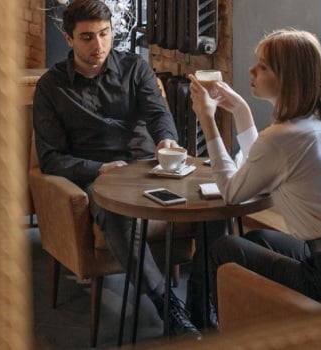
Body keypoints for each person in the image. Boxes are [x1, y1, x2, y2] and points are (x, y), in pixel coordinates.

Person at [33, 0, 218, 339]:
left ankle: (200, 296)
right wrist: (99, 169)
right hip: (97, 176)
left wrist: (167, 142)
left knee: (215, 201)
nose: (98, 45)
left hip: (147, 167)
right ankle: (166, 304)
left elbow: (158, 114)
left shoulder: (135, 68)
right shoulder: (51, 87)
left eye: (104, 34)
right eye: (87, 37)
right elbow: (50, 158)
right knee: (113, 212)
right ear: (68, 38)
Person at [187, 29, 321, 311]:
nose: (252, 70)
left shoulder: (282, 138)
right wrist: (242, 112)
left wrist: (207, 120)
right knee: (258, 239)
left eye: (263, 66)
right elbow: (268, 168)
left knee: (222, 250)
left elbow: (233, 192)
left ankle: (199, 330)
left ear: (288, 78)